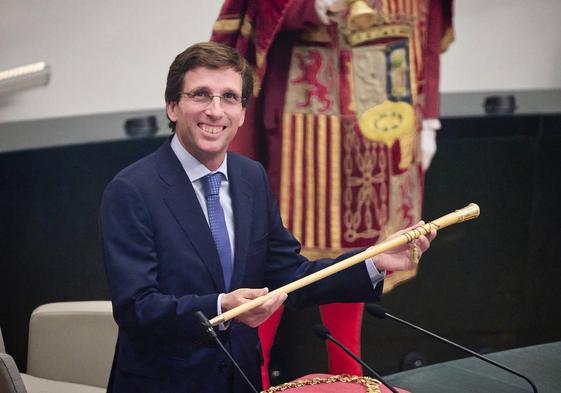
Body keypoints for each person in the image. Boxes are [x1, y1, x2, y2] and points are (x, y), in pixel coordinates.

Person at [101, 41, 435, 393]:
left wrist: (374, 260)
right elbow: (136, 308)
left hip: (241, 381)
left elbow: (289, 274)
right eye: (201, 95)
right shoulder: (131, 190)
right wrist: (221, 307)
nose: (215, 111)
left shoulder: (251, 178)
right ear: (172, 107)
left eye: (229, 97)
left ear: (243, 112)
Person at [211, 0, 453, 384]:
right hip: (306, 121)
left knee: (364, 251)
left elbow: (428, 24)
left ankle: (351, 380)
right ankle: (250, 380)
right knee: (276, 257)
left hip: (388, 115)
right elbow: (256, 14)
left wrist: (429, 118)